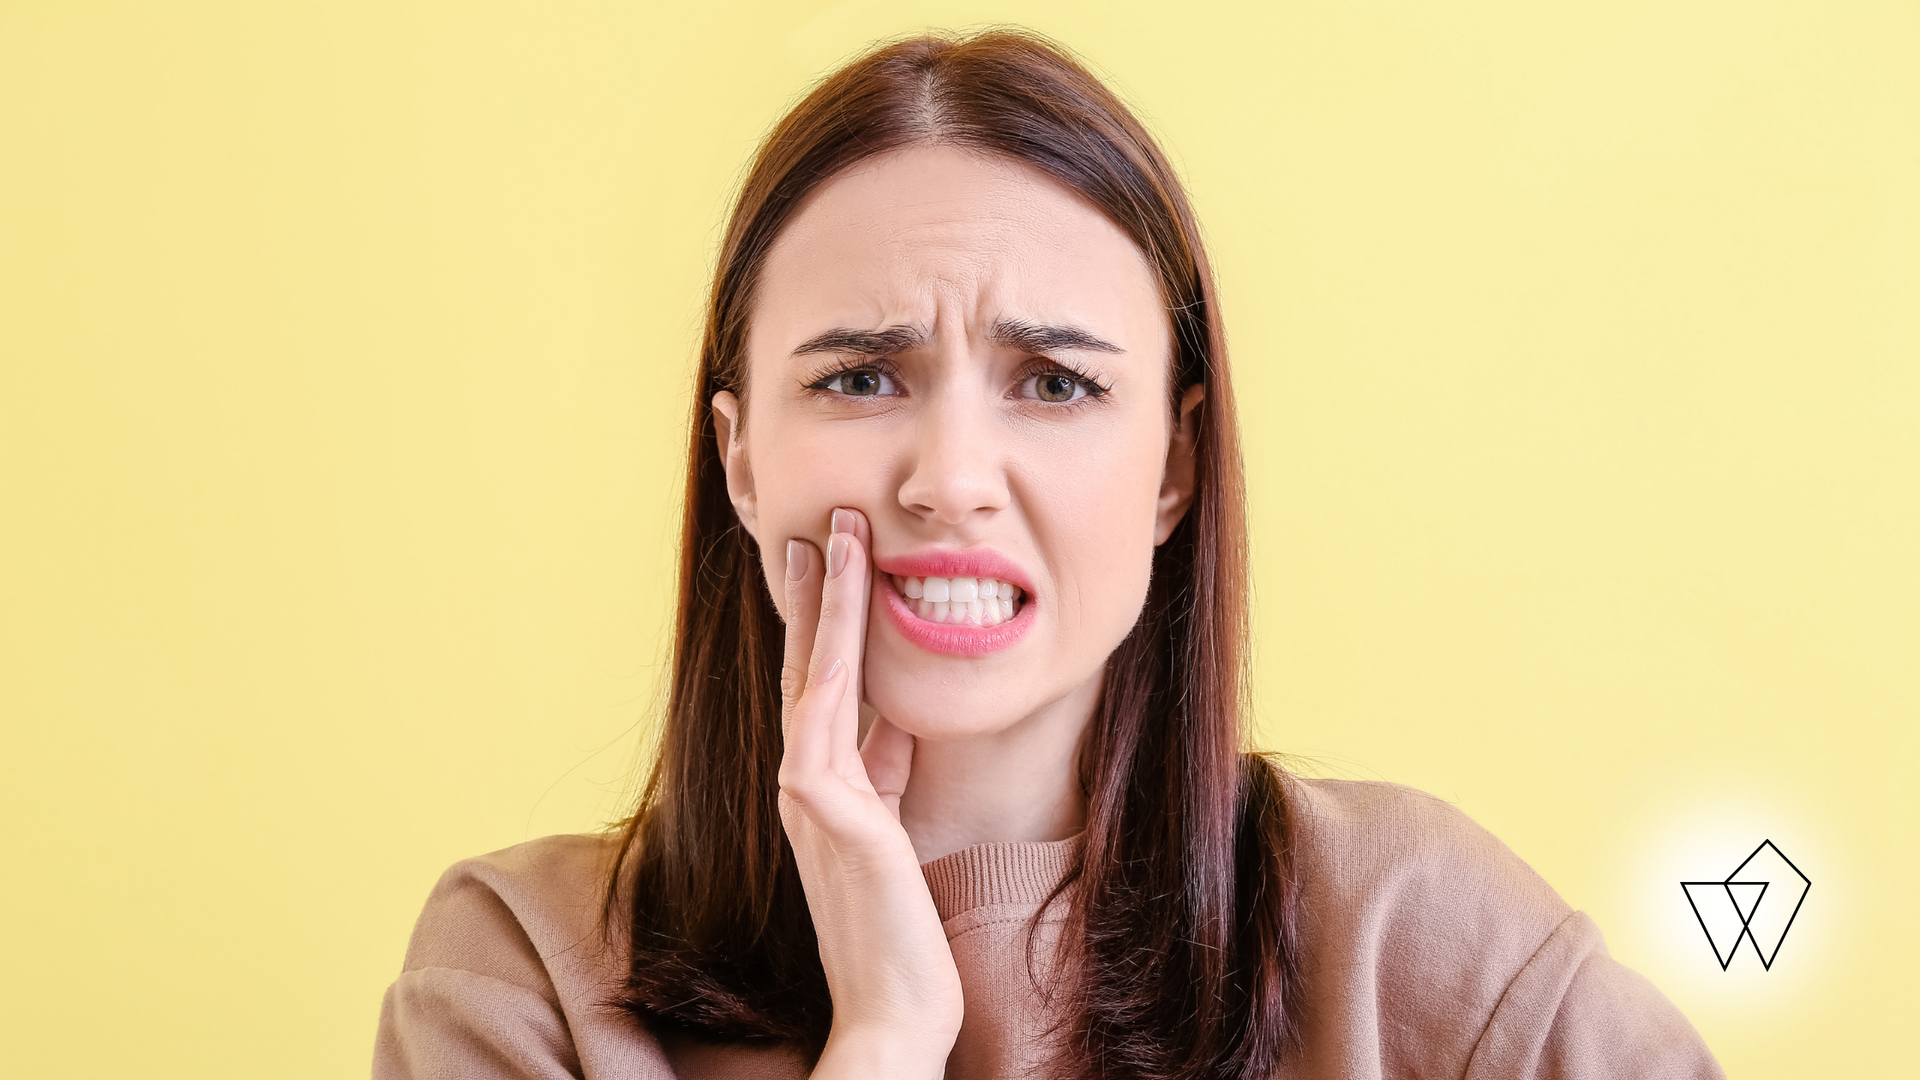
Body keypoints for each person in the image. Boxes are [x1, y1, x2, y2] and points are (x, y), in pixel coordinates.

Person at [373, 30, 1724, 1080]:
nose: (952, 480)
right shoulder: (522, 978)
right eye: (858, 379)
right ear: (738, 457)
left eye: (1056, 385)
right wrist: (891, 1033)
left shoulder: (1410, 934)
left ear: (1177, 466)